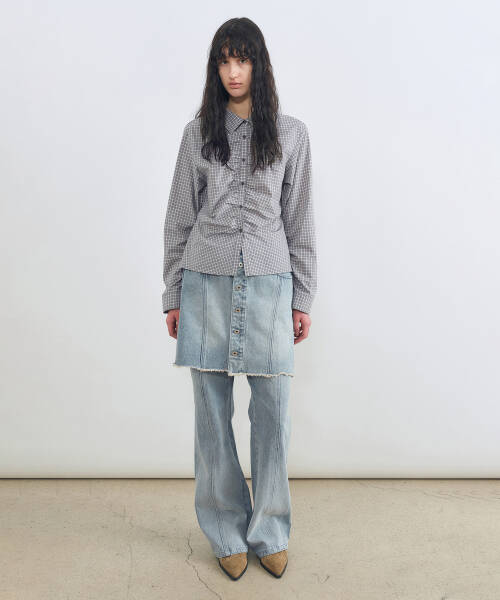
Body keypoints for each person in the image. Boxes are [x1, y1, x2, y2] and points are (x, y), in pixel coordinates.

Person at [162, 17, 317, 581]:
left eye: (242, 59)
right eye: (224, 60)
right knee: (211, 415)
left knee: (273, 414)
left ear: (259, 65)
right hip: (205, 282)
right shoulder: (198, 133)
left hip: (272, 285)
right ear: (215, 67)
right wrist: (172, 292)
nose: (233, 71)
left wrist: (303, 296)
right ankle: (225, 530)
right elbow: (179, 217)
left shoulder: (292, 134)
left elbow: (299, 219)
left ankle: (270, 529)